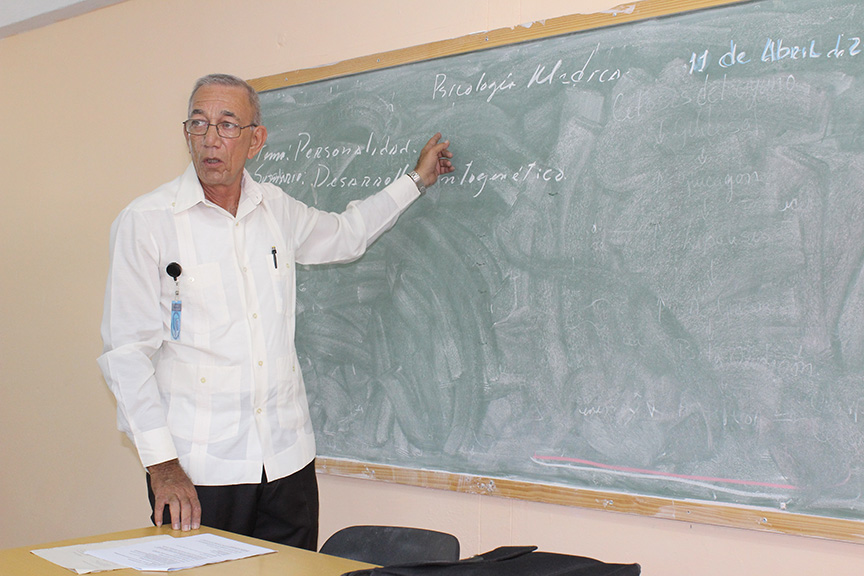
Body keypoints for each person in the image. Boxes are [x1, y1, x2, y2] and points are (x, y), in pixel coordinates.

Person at [98, 73, 454, 549]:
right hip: (200, 472)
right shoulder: (146, 223)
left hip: (287, 462)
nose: (210, 139)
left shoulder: (276, 210)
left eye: (227, 125)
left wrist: (416, 180)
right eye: (198, 124)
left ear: (256, 140)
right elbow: (126, 354)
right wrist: (162, 466)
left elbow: (346, 235)